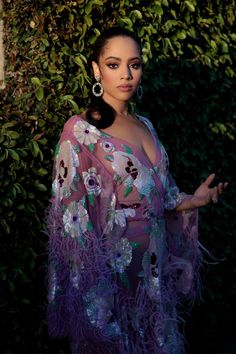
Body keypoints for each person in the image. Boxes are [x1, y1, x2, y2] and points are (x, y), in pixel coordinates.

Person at [47, 27, 228, 354]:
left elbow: (163, 196)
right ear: (96, 69)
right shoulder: (80, 132)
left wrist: (195, 199)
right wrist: (96, 302)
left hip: (154, 282)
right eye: (114, 64)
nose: (127, 74)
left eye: (135, 64)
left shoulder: (146, 124)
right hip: (115, 284)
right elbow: (72, 222)